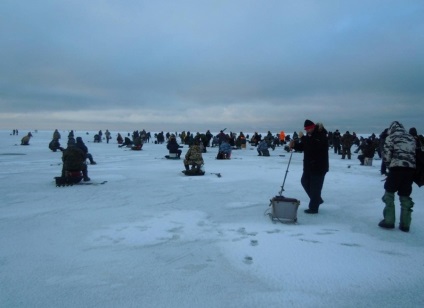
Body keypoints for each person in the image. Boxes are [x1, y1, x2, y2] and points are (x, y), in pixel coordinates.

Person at [379, 121, 416, 232]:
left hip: (396, 169)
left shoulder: (391, 137)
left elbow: (386, 155)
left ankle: (389, 221)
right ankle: (405, 224)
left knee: (389, 194)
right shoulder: (411, 138)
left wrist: (388, 166)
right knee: (405, 195)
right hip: (410, 170)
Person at [295, 119, 329, 214]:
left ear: (313, 127)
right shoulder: (309, 136)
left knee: (315, 188)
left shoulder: (321, 135)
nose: (307, 131)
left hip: (319, 167)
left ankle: (314, 208)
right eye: (306, 129)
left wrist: (302, 138)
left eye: (308, 129)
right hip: (308, 166)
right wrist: (294, 146)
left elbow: (314, 146)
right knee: (304, 181)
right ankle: (317, 200)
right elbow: (304, 146)